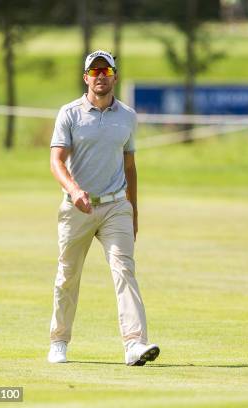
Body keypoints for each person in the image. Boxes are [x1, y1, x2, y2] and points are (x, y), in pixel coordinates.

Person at [47, 50, 159, 366]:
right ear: (86, 78)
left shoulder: (127, 115)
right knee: (67, 275)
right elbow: (56, 161)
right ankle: (58, 341)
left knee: (125, 270)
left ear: (114, 77)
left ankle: (135, 345)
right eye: (94, 71)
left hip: (115, 207)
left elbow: (130, 165)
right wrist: (74, 190)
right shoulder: (69, 113)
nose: (100, 76)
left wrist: (133, 211)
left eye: (105, 71)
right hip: (76, 208)